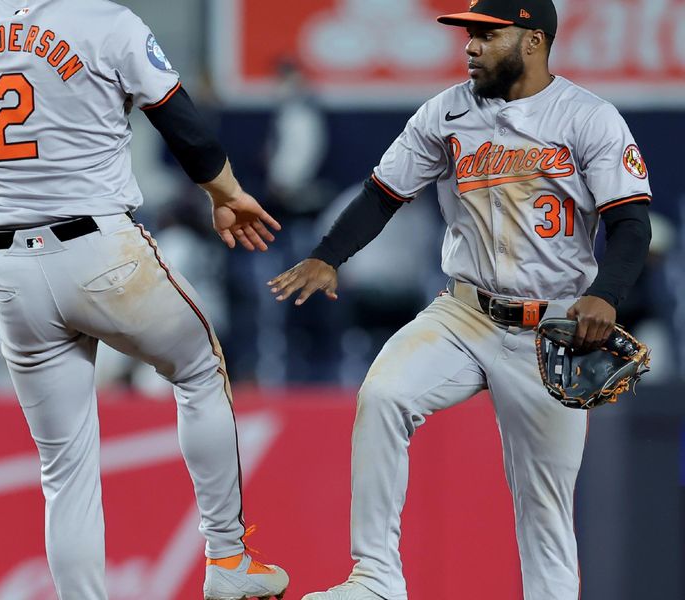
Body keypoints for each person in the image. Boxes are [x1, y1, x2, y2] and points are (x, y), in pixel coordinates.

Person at [268, 0, 653, 598]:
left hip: (550, 328)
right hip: (463, 313)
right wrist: (327, 255)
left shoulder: (588, 118)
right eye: (469, 33)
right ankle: (375, 579)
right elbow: (382, 194)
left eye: (486, 34)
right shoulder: (445, 112)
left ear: (533, 40)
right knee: (384, 395)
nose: (470, 45)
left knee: (544, 509)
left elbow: (632, 223)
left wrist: (606, 293)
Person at [0, 2, 288, 599]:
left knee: (64, 470)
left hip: (9, 265)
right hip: (97, 250)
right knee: (198, 367)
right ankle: (228, 556)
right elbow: (182, 125)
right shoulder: (106, 22)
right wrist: (228, 193)